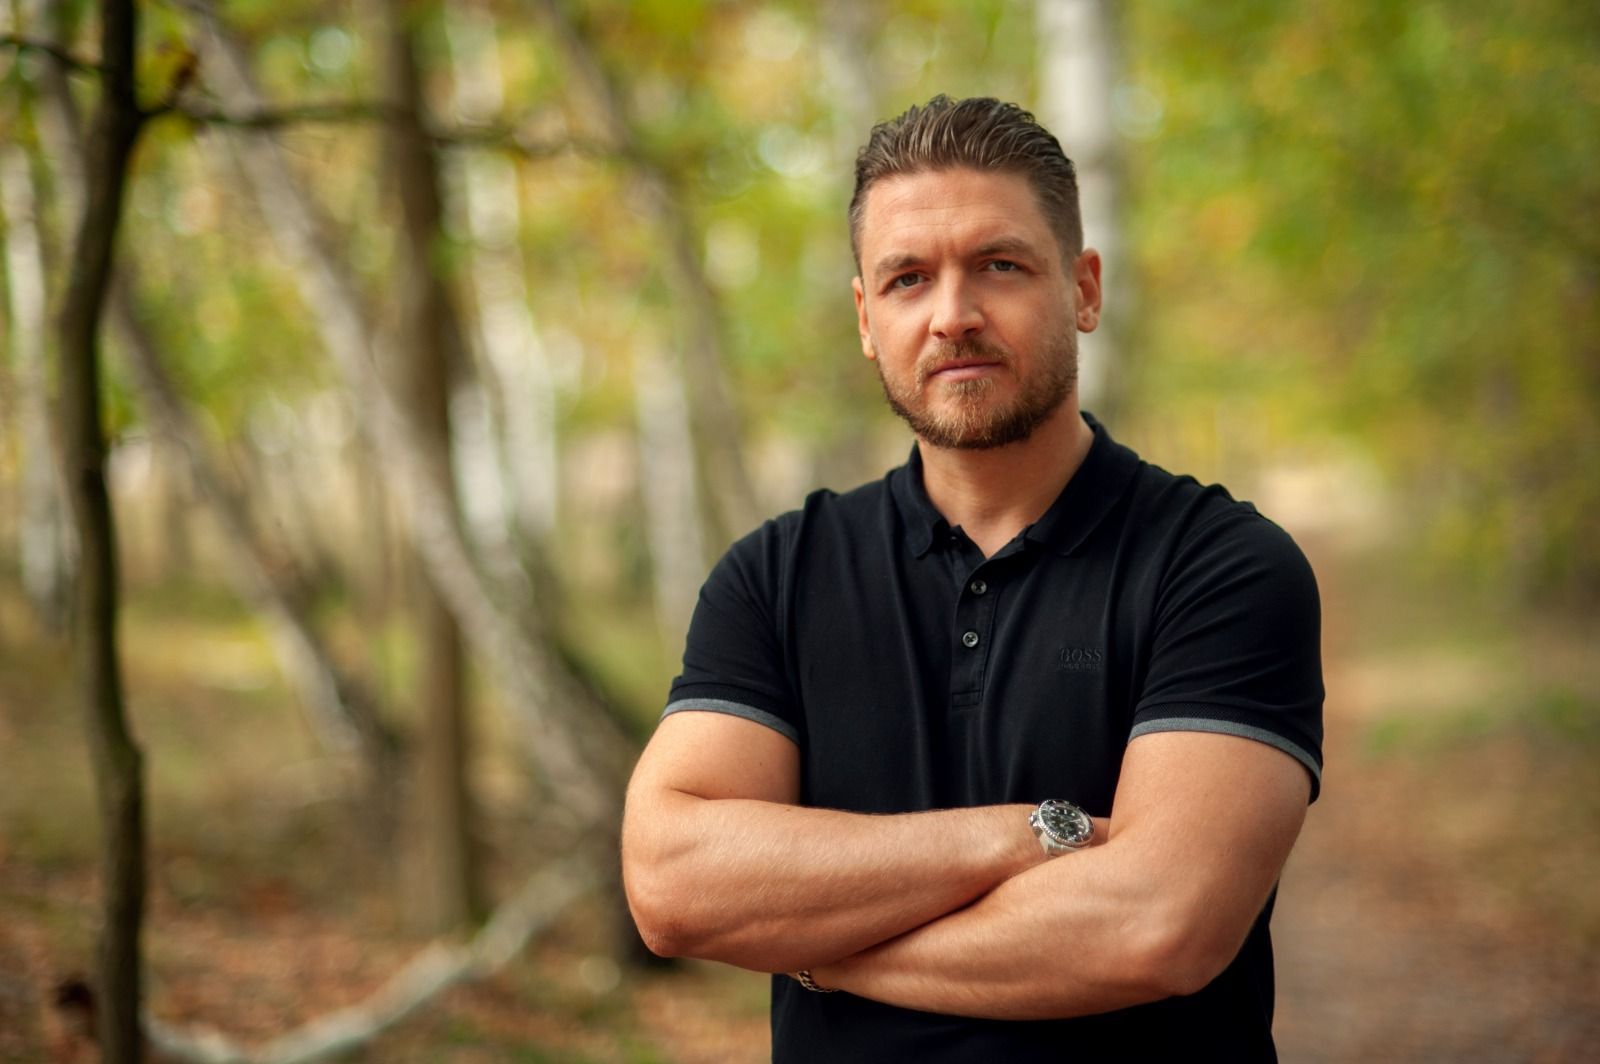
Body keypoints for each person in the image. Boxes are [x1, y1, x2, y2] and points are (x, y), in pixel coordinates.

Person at [620, 94, 1323, 1062]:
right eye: (908, 278)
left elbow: (1158, 922)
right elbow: (668, 879)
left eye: (998, 264)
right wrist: (1026, 837)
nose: (953, 314)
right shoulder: (774, 577)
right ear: (867, 318)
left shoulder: (1221, 567)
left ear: (1082, 288)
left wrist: (819, 946)